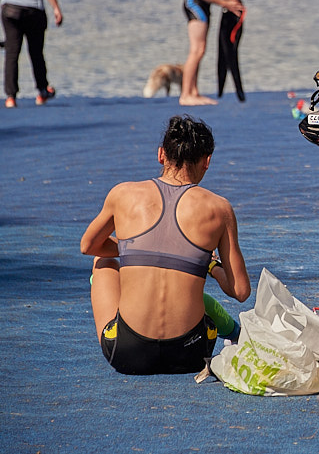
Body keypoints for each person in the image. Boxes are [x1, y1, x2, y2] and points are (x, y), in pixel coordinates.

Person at [81, 115, 251, 375]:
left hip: (127, 354)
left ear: (161, 154)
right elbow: (240, 291)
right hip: (191, 353)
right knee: (191, 285)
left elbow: (89, 245)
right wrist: (211, 264)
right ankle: (234, 333)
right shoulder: (220, 209)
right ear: (207, 162)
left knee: (102, 262)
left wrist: (131, 249)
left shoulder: (123, 194)